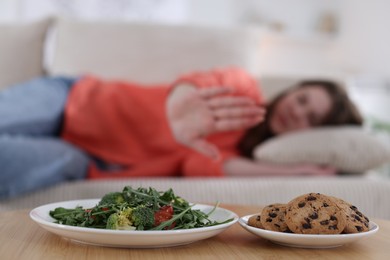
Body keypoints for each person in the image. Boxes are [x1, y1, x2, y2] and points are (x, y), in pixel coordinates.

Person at [0, 67, 362, 199]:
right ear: (292, 90)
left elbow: (197, 166)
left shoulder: (244, 155)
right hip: (73, 98)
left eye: (310, 117)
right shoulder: (243, 88)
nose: (296, 111)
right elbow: (200, 83)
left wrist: (296, 171)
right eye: (301, 99)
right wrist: (181, 102)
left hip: (88, 160)